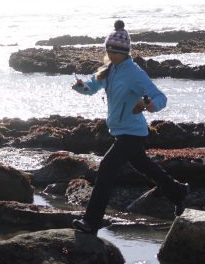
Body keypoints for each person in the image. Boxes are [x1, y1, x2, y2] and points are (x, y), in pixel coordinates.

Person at [71, 19, 188, 234]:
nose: (113, 55)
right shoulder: (108, 70)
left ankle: (91, 222)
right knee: (145, 166)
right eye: (110, 51)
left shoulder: (134, 73)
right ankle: (177, 191)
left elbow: (160, 98)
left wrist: (147, 104)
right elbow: (91, 87)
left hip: (133, 134)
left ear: (126, 52)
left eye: (117, 52)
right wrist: (81, 87)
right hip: (121, 132)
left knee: (105, 168)